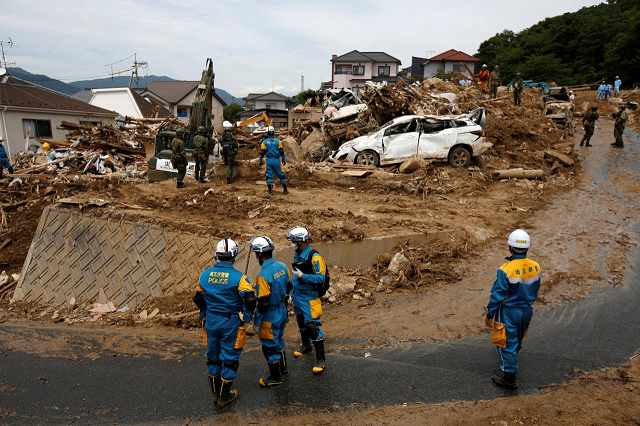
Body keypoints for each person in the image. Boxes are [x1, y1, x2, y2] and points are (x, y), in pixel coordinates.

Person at [193, 238, 256, 408]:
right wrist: (247, 316)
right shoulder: (240, 278)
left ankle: (215, 394)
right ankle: (224, 396)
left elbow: (198, 298)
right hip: (231, 322)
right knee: (230, 359)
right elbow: (250, 300)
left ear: (217, 256)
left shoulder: (205, 274)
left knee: (213, 358)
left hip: (211, 321)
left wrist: (204, 311)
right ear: (234, 256)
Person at [485, 229, 541, 390]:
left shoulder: (505, 270)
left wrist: (490, 314)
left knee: (504, 343)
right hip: (526, 310)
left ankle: (509, 377)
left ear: (509, 247)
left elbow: (497, 295)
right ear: (527, 248)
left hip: (509, 312)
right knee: (517, 338)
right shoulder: (535, 267)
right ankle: (511, 361)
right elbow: (536, 288)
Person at [249, 236, 292, 388]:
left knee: (269, 346)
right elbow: (288, 288)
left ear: (259, 255)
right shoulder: (282, 266)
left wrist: (256, 323)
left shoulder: (262, 276)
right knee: (279, 340)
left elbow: (263, 303)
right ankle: (283, 369)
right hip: (281, 310)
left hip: (270, 315)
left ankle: (275, 378)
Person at [287, 226, 327, 375]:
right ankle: (306, 345)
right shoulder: (298, 254)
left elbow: (320, 277)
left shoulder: (314, 257)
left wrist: (303, 277)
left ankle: (321, 360)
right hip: (298, 294)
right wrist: (291, 291)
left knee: (312, 326)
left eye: (293, 241)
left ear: (300, 241)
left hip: (309, 296)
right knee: (300, 320)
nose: (291, 243)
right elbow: (294, 274)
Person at [259, 126, 288, 196]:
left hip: (269, 161)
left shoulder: (264, 142)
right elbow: (281, 151)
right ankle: (285, 190)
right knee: (281, 175)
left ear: (267, 133)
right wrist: (283, 159)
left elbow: (262, 152)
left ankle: (270, 192)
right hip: (276, 160)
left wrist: (260, 160)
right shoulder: (278, 141)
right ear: (274, 133)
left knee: (269, 176)